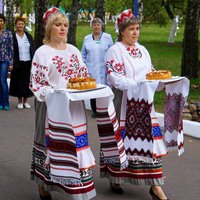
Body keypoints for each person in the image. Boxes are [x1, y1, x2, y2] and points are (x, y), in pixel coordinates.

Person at [29, 7, 96, 200]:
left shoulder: (74, 50)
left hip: (73, 106)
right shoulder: (43, 52)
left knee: (74, 144)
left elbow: (83, 76)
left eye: (65, 25)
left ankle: (76, 187)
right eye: (58, 25)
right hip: (50, 105)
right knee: (48, 143)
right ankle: (44, 183)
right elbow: (36, 82)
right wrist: (54, 93)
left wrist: (89, 85)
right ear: (50, 28)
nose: (62, 28)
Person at [102, 9, 169, 200]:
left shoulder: (142, 49)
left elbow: (152, 73)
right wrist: (137, 86)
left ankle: (155, 186)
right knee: (120, 143)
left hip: (145, 106)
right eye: (131, 29)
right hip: (123, 104)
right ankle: (115, 177)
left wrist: (163, 82)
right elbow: (114, 77)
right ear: (122, 31)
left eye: (137, 28)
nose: (135, 32)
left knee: (150, 146)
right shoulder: (115, 50)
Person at [81, 18, 113, 117]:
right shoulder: (87, 38)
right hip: (91, 68)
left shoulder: (107, 37)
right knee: (93, 91)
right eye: (94, 24)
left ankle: (105, 110)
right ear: (92, 26)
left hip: (104, 69)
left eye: (98, 24)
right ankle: (95, 111)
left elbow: (112, 52)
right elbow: (83, 54)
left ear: (101, 26)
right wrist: (84, 67)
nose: (96, 26)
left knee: (104, 89)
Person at [9, 17, 34, 109]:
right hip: (17, 62)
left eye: (22, 24)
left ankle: (26, 101)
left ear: (24, 25)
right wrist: (11, 63)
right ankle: (20, 101)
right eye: (19, 24)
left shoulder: (28, 36)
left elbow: (32, 49)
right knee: (18, 82)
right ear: (16, 25)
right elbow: (10, 50)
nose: (20, 25)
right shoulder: (12, 36)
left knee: (27, 81)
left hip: (28, 61)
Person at [0, 14, 13, 111]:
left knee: (3, 81)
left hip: (5, 60)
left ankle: (6, 102)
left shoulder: (8, 33)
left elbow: (11, 48)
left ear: (4, 22)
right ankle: (0, 102)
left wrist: (11, 63)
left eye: (1, 20)